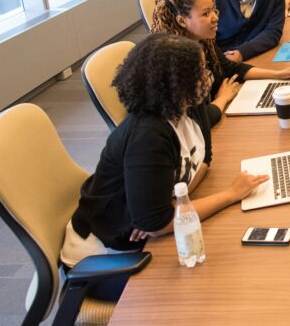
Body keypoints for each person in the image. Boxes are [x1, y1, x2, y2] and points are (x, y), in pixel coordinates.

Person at [60, 33, 270, 273]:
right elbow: (157, 224)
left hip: (149, 233)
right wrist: (231, 194)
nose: (208, 77)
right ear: (175, 84)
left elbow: (205, 159)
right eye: (200, 72)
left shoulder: (188, 104)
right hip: (107, 258)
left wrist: (178, 204)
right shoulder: (148, 135)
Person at [150, 0, 290, 126]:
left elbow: (231, 68)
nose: (215, 17)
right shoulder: (174, 61)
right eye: (205, 14)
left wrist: (279, 75)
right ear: (182, 21)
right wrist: (223, 98)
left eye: (213, 10)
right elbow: (194, 123)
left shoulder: (204, 41)